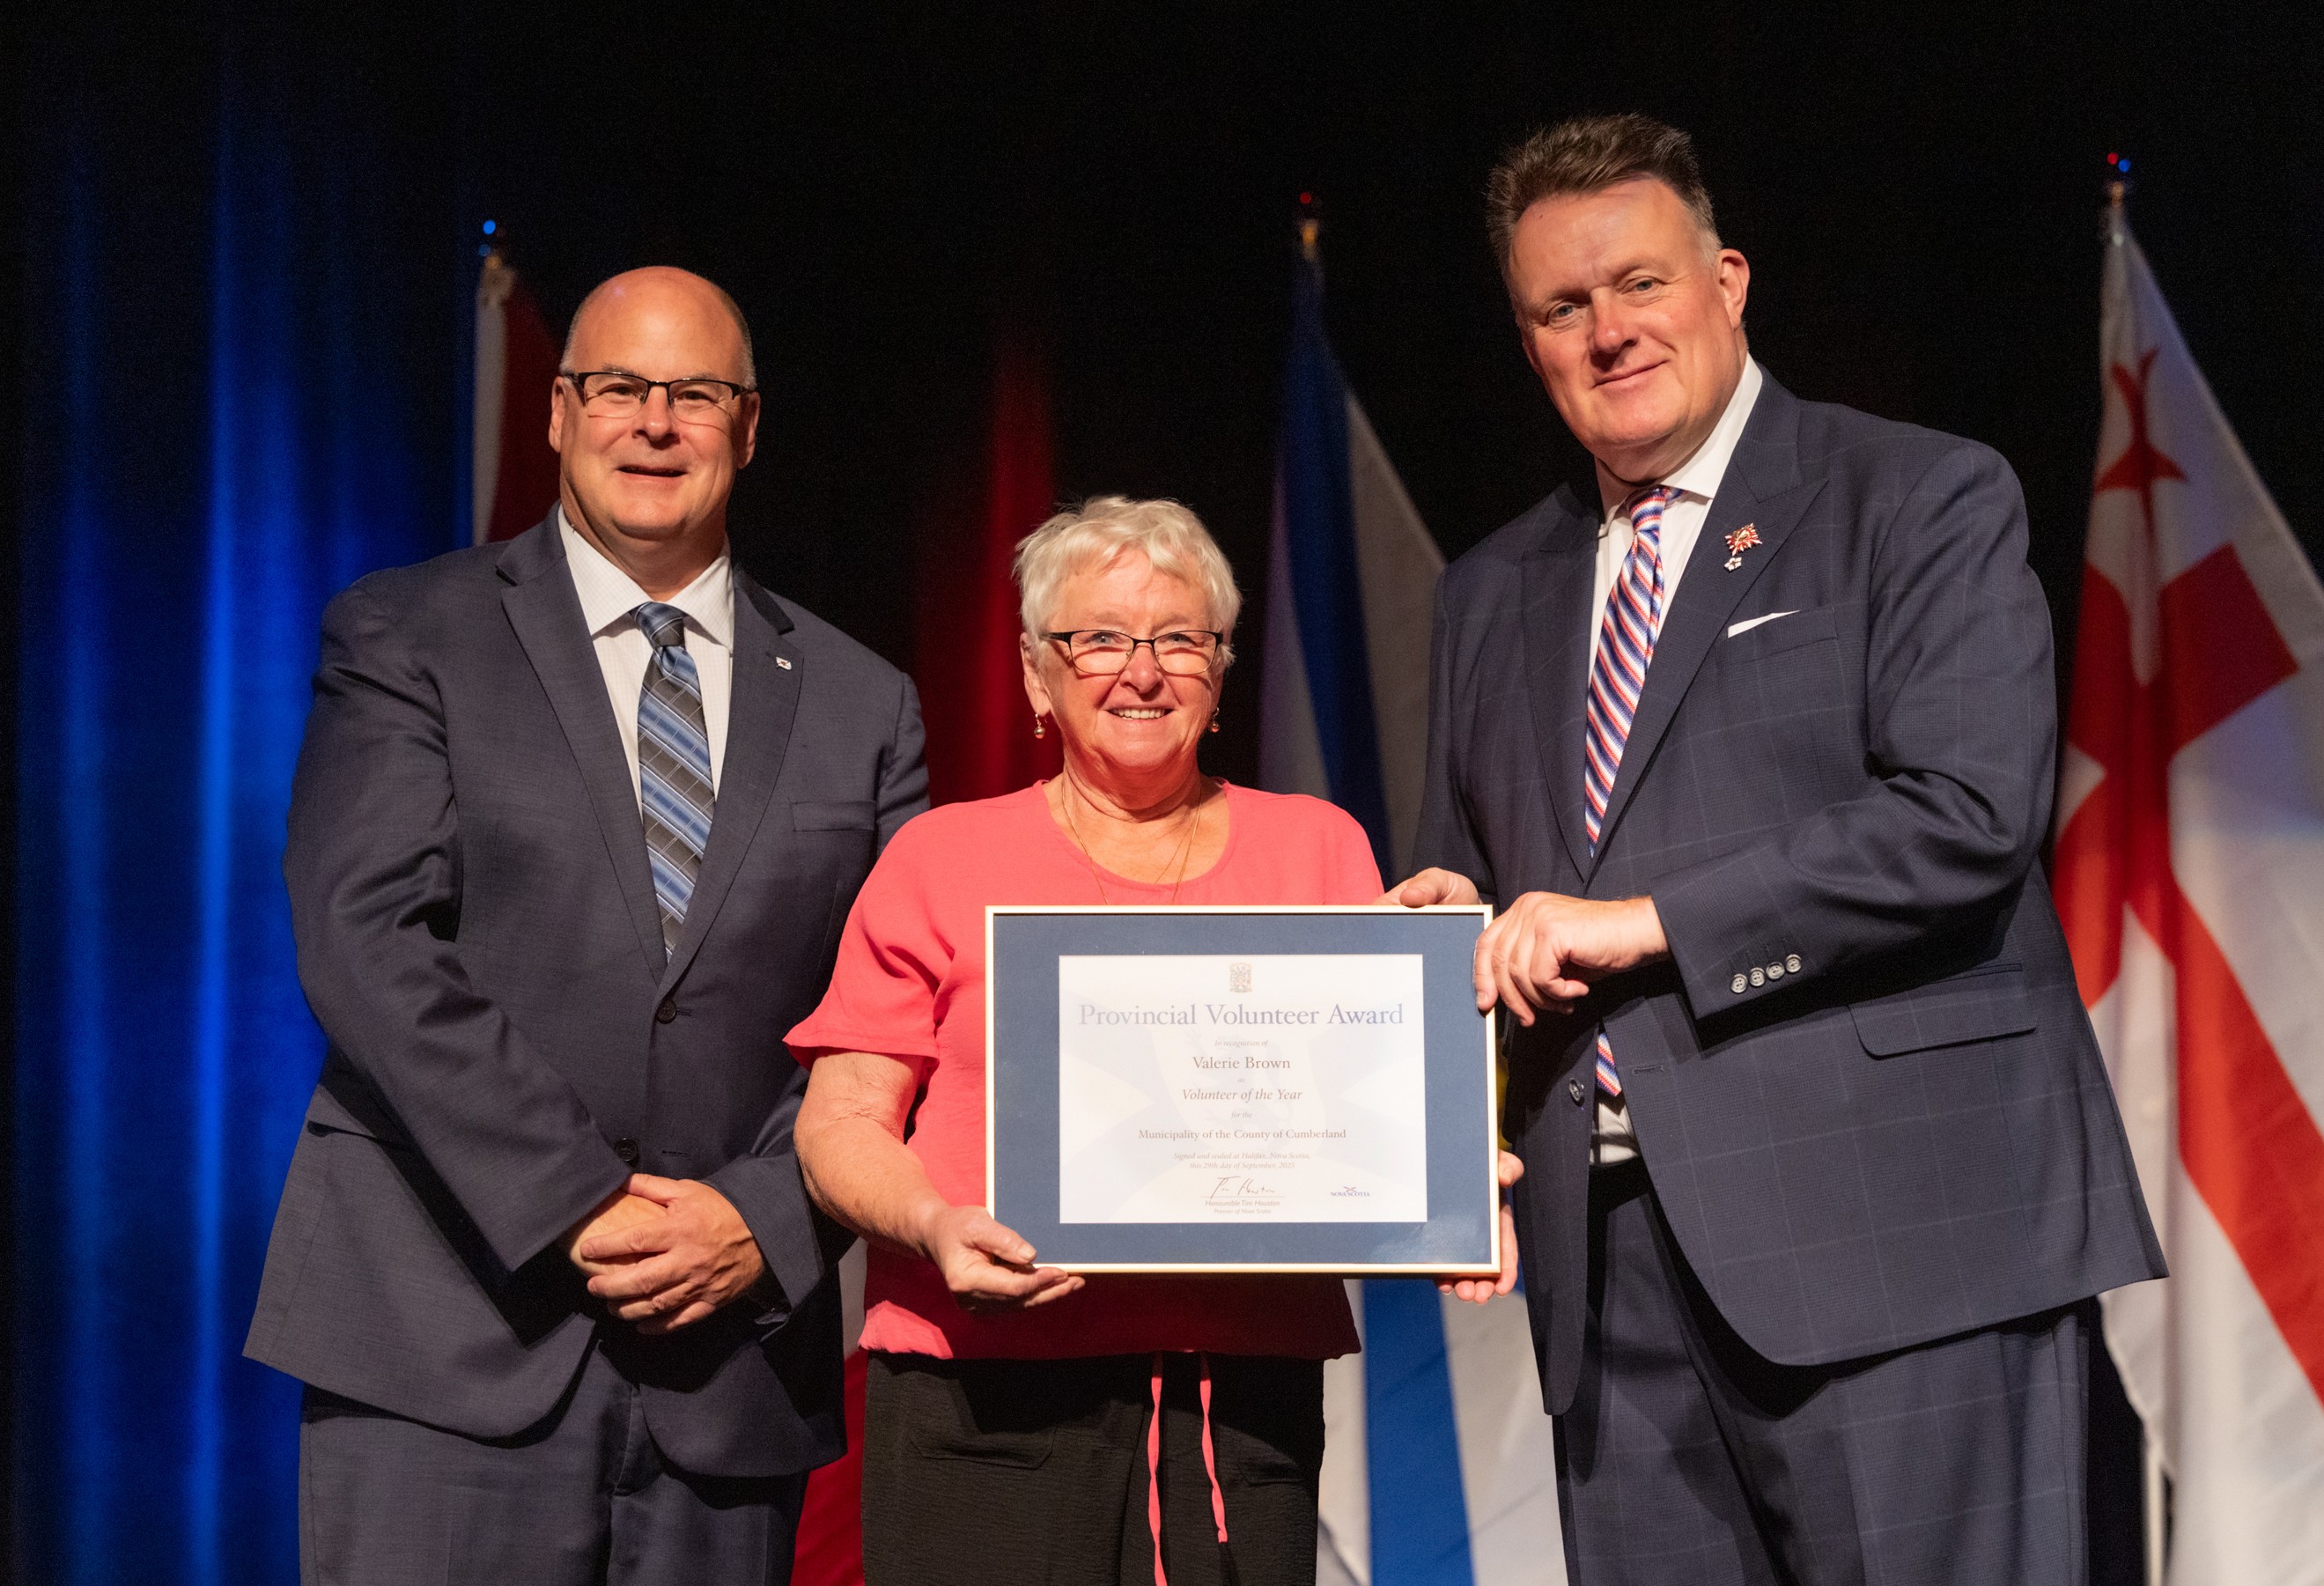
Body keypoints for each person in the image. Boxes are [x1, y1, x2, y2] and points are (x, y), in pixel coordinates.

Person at [1390, 115, 2165, 1584]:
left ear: (1727, 281)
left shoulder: (1917, 495)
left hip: (1896, 1242)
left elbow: (1965, 816)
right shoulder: (1491, 590)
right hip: (1607, 1281)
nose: (1607, 331)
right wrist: (1441, 998)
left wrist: (1643, 919)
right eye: (1561, 308)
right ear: (1526, 339)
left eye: (1638, 284)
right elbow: (1486, 896)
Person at [246, 266, 927, 1584]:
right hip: (440, 1346)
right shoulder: (408, 633)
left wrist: (760, 1215)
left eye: (695, 394)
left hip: (727, 1377)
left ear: (751, 425)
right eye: (620, 387)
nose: (654, 422)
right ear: (559, 412)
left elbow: (895, 1012)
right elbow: (364, 937)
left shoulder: (864, 700)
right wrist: (579, 1200)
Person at [792, 497, 1421, 1586]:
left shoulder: (1319, 850)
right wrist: (935, 1221)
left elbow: (1375, 1116)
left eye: (1180, 638)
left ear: (1220, 673)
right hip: (983, 1397)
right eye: (1101, 639)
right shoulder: (942, 858)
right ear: (1040, 675)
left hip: (1238, 1411)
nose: (1143, 670)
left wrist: (1448, 1134)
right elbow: (840, 1121)